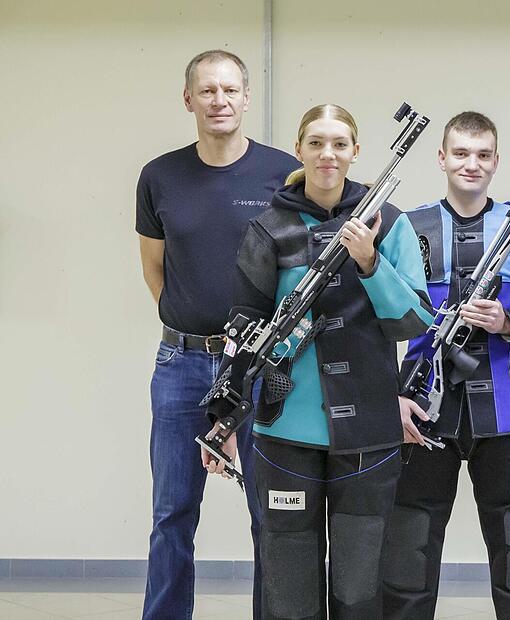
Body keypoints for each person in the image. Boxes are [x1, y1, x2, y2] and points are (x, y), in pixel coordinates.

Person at [203, 103, 435, 619]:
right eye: (315, 143)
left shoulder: (388, 222)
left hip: (368, 435)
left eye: (338, 144)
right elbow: (243, 328)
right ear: (300, 150)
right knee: (289, 583)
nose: (327, 154)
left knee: (358, 584)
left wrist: (370, 262)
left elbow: (414, 321)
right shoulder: (271, 227)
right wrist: (221, 419)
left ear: (355, 152)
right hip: (286, 430)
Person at [136, 49, 298, 619]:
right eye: (207, 91)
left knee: (271, 515)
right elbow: (155, 268)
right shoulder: (159, 176)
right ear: (189, 100)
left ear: (246, 98)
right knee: (172, 513)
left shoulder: (284, 174)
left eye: (230, 90)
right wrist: (194, 326)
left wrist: (247, 351)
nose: (219, 101)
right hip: (181, 365)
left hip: (261, 369)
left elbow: (297, 270)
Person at [380, 111, 510, 619]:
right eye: (460, 153)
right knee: (408, 551)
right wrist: (392, 396)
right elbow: (374, 319)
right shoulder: (407, 228)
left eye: (482, 155)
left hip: (506, 412)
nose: (471, 164)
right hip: (422, 411)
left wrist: (507, 321)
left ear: (497, 162)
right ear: (441, 158)